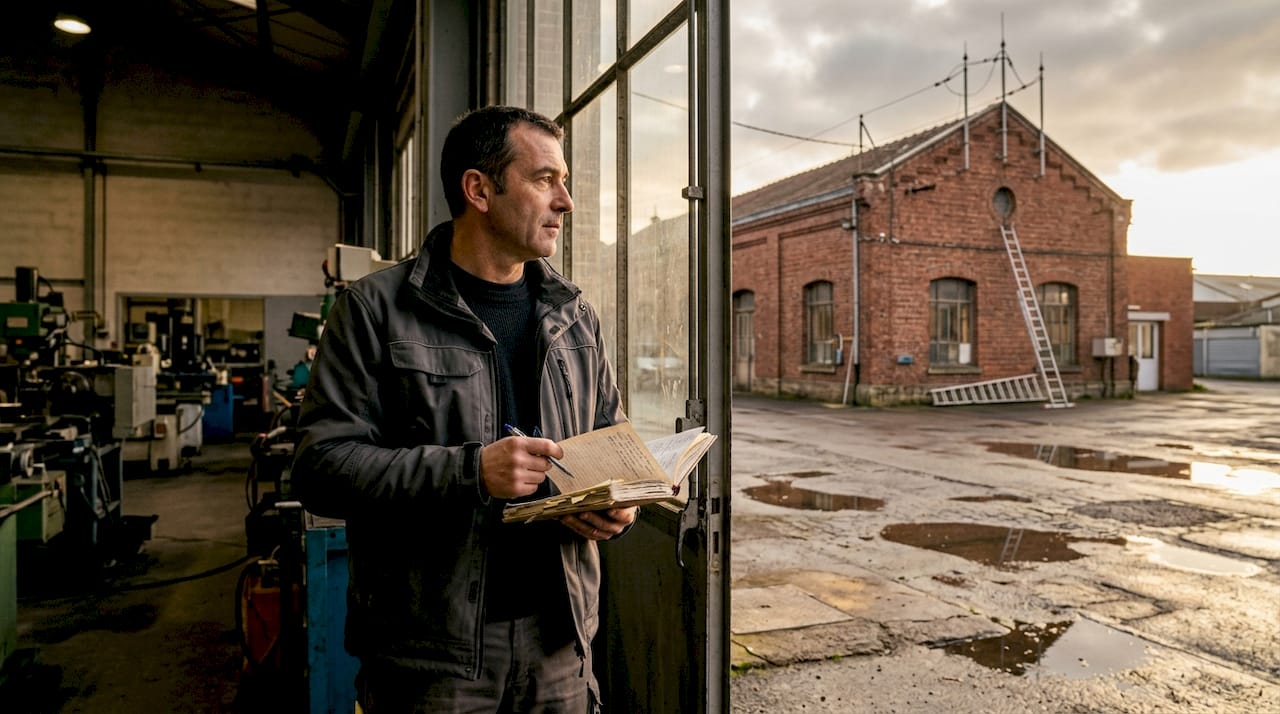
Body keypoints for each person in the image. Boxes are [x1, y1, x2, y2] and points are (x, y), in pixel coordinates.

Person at [291, 105, 636, 713]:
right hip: (431, 658)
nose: (566, 202)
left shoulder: (574, 315)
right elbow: (321, 468)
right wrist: (471, 472)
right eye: (544, 180)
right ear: (478, 189)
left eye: (564, 181)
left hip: (560, 642)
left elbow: (612, 436)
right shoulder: (374, 310)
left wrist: (620, 501)